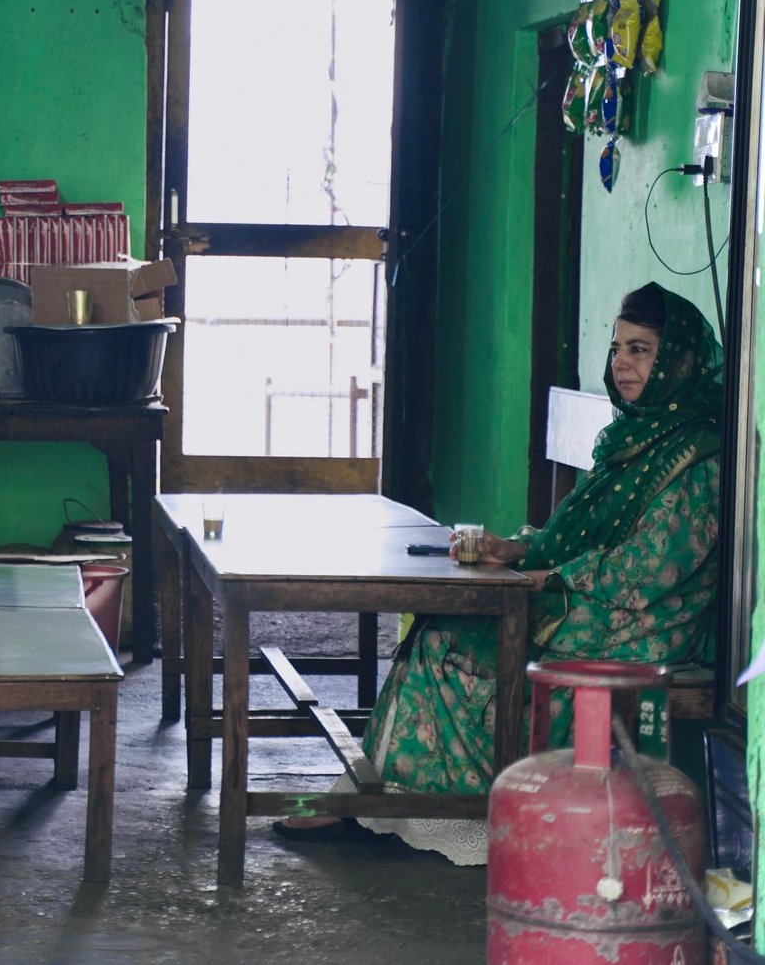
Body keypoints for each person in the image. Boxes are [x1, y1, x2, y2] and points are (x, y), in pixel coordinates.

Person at [275, 281, 723, 864]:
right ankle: (379, 803)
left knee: (457, 645)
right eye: (617, 348)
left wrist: (549, 579)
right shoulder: (635, 438)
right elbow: (580, 533)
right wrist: (520, 551)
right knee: (436, 627)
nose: (621, 364)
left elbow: (654, 568)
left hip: (642, 623)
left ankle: (465, 815)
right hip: (595, 597)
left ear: (679, 361)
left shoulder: (699, 454)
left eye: (640, 349)